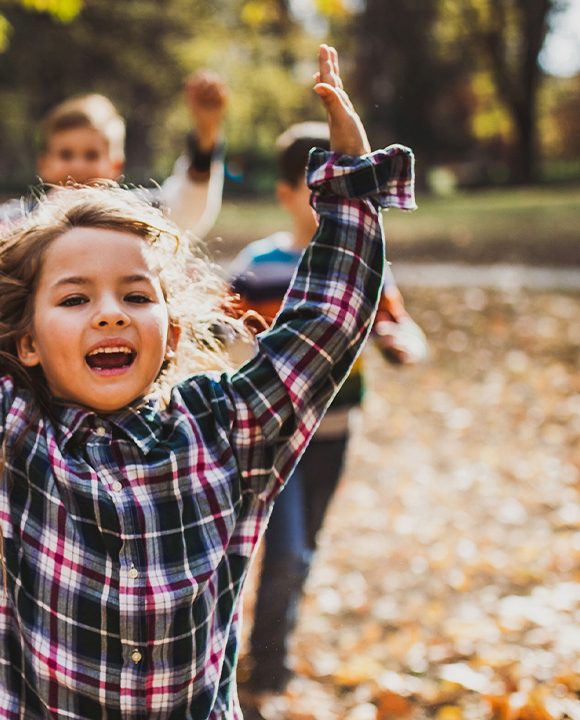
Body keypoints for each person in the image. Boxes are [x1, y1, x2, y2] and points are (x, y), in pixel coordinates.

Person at [0, 44, 415, 719]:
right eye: (75, 298)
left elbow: (322, 327)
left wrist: (352, 188)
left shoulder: (226, 431)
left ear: (172, 333)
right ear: (27, 342)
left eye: (136, 296)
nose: (110, 312)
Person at [225, 121, 428, 706]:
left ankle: (272, 651)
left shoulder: (364, 265)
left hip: (340, 431)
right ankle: (267, 672)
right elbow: (217, 324)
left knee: (303, 551)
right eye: (317, 192)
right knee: (283, 549)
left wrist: (402, 343)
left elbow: (397, 323)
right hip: (278, 436)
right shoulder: (259, 263)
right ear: (287, 193)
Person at [0, 72, 229, 237]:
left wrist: (205, 136)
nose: (79, 165)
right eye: (66, 154)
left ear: (115, 164)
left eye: (92, 154)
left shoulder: (138, 213)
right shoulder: (21, 221)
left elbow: (187, 211)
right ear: (43, 164)